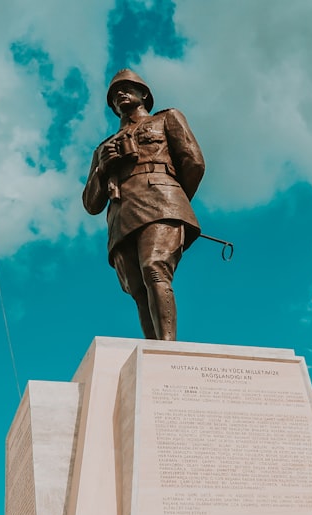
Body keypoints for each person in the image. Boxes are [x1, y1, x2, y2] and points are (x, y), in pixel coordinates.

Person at [82, 69, 205, 341]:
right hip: (121, 214)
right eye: (114, 94)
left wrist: (173, 199)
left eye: (126, 89)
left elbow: (194, 162)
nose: (120, 95)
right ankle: (154, 351)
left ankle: (167, 350)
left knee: (154, 266)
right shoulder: (104, 148)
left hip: (162, 202)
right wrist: (103, 170)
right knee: (136, 288)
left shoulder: (167, 118)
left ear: (144, 94)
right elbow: (91, 203)